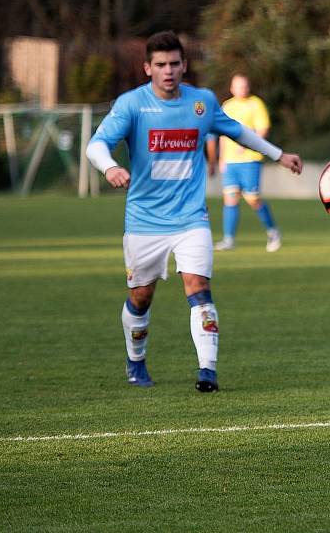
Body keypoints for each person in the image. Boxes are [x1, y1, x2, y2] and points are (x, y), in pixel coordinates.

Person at [86, 31, 302, 392]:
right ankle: (136, 361)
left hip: (191, 218)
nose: (168, 71)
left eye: (174, 64)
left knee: (199, 287)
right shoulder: (132, 105)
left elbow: (237, 132)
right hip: (144, 220)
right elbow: (97, 145)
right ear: (147, 68)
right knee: (141, 296)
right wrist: (109, 167)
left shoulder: (201, 103)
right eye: (160, 65)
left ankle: (208, 371)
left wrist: (279, 154)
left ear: (184, 65)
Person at [207, 74, 282, 252]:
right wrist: (221, 158)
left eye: (245, 85)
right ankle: (229, 239)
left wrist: (250, 144)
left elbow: (263, 129)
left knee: (253, 198)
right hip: (231, 162)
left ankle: (273, 231)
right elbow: (223, 134)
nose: (243, 88)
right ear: (232, 88)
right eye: (239, 86)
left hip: (250, 159)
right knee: (230, 198)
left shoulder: (256, 104)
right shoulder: (228, 105)